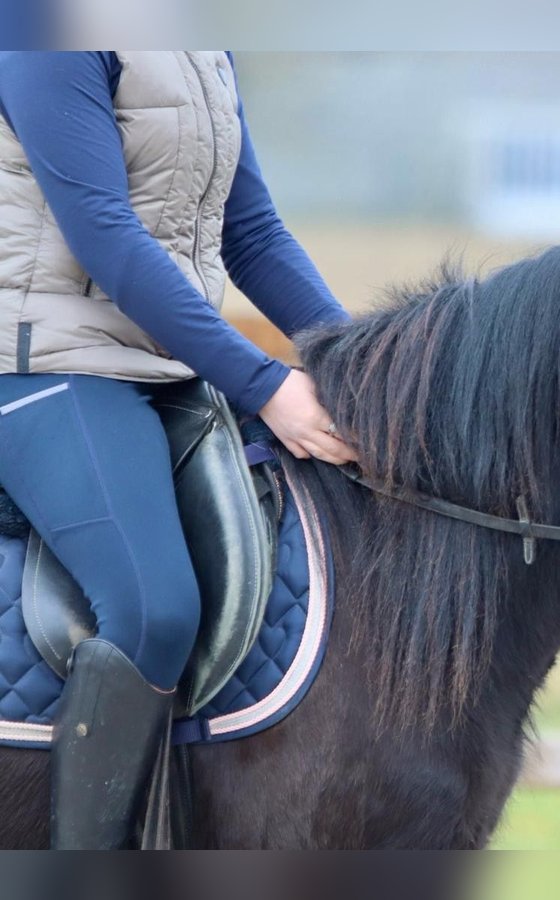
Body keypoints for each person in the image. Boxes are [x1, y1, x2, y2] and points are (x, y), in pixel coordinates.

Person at [0, 51, 358, 848]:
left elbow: (253, 231)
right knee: (153, 606)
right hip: (41, 366)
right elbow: (105, 235)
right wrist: (266, 384)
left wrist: (359, 366)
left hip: (165, 362)